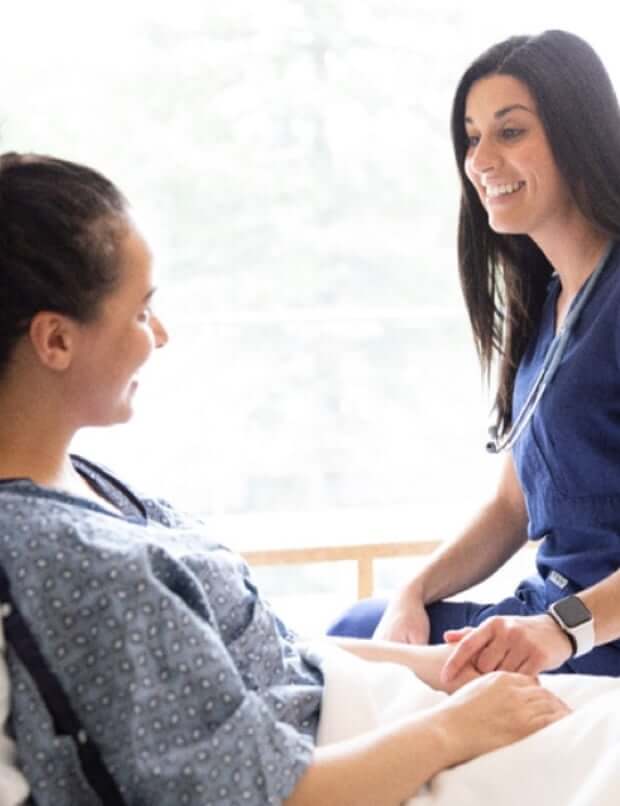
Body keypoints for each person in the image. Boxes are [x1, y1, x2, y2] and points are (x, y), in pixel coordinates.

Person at [0, 151, 568, 806]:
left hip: (359, 711)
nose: (160, 334)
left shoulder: (84, 485)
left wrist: (436, 669)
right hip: (355, 759)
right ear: (55, 341)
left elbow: (260, 656)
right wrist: (457, 727)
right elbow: (264, 794)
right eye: (139, 312)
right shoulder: (75, 565)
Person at [327, 29, 620, 681]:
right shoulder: (548, 305)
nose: (481, 158)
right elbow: (511, 508)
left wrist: (560, 630)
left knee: (337, 669)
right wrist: (414, 591)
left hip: (591, 636)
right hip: (553, 621)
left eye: (510, 131)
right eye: (471, 136)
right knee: (354, 630)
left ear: (577, 134)